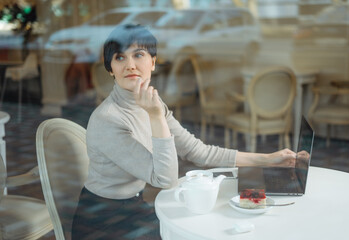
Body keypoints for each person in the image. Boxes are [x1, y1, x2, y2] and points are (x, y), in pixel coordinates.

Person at [71, 24, 296, 240]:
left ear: (153, 63)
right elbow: (165, 179)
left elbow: (199, 152)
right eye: (120, 57)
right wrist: (156, 117)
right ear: (110, 69)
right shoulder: (108, 119)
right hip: (102, 220)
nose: (130, 65)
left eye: (138, 55)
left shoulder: (151, 101)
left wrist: (268, 159)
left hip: (133, 204)